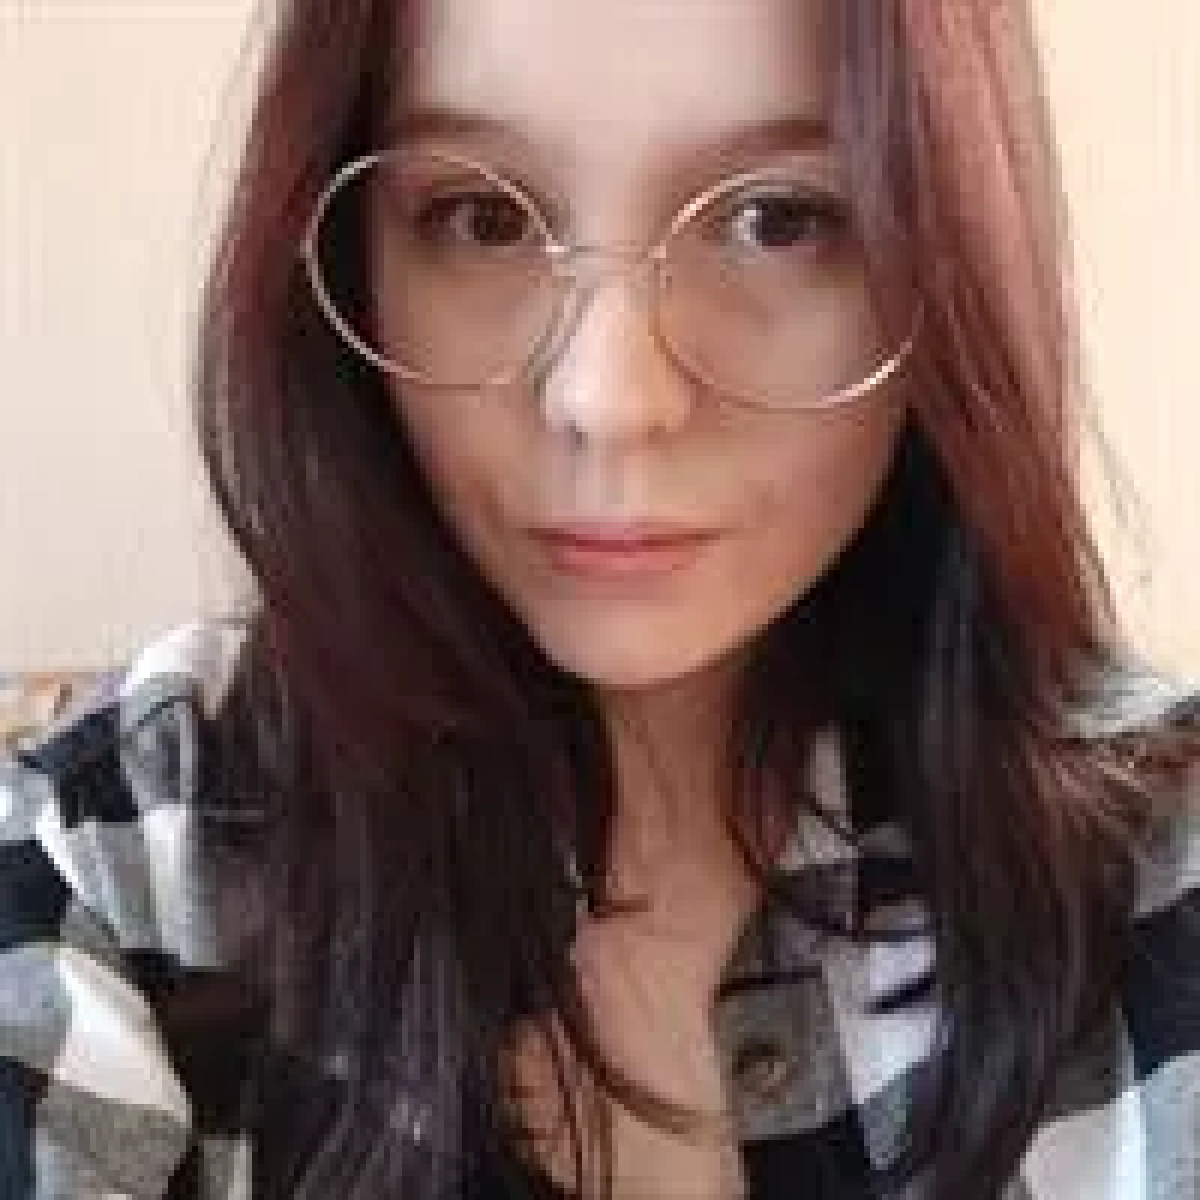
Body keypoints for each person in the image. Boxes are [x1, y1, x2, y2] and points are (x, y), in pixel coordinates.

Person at [2, 0, 1197, 1196]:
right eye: (480, 219)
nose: (608, 397)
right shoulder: (107, 870)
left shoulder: (1161, 870)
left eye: (777, 220)